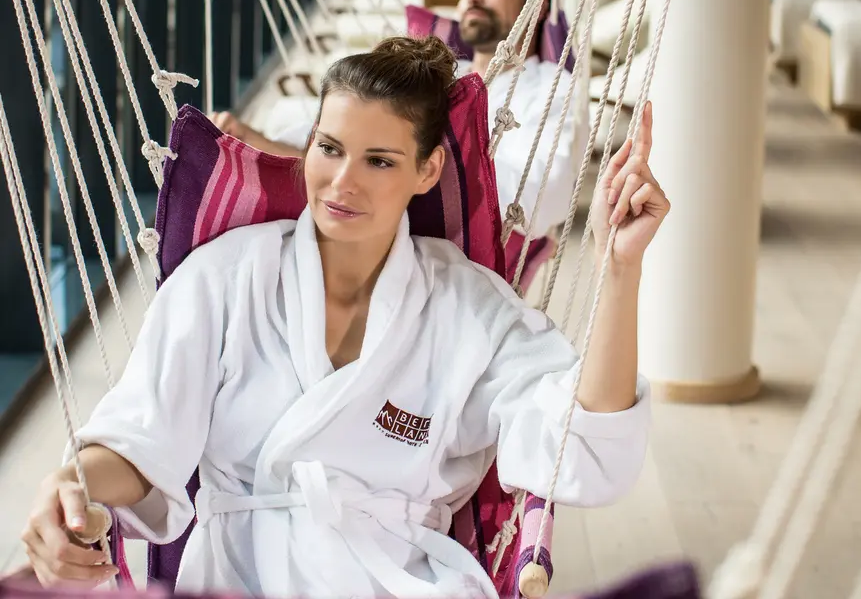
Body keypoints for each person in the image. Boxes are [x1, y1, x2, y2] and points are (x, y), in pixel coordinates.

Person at [22, 36, 667, 599]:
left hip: (402, 577)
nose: (341, 182)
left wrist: (621, 270)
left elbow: (580, 447)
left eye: (379, 160)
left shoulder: (471, 307)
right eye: (328, 149)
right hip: (238, 577)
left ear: (428, 169)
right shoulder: (226, 277)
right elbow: (139, 440)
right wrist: (73, 482)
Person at [213, 0, 584, 238]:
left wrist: (422, 157)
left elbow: (541, 201)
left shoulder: (552, 88)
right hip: (358, 209)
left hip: (430, 241)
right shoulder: (440, 80)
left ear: (537, 9)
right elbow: (336, 146)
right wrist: (253, 140)